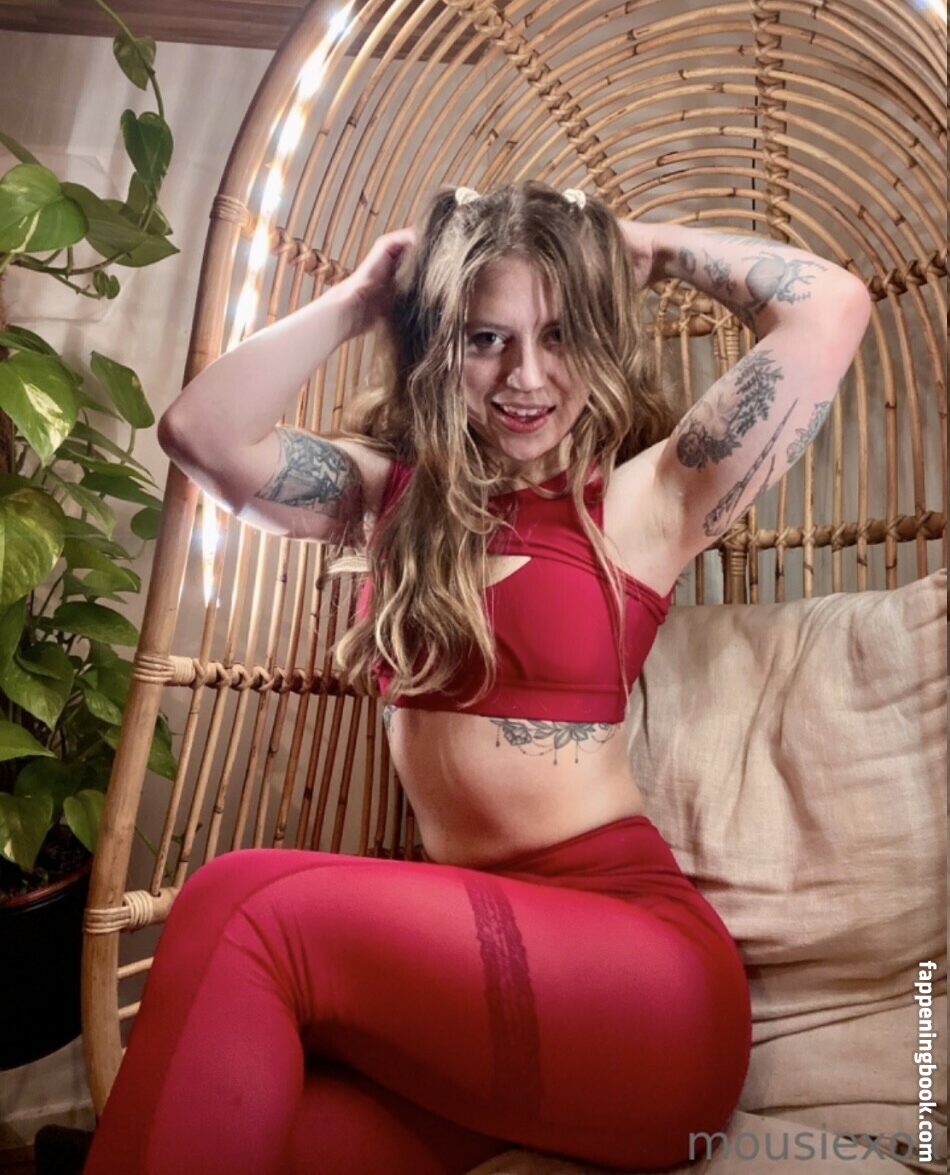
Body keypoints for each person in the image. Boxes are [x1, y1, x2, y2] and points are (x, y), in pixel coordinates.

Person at [82, 179, 872, 1175]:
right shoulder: (386, 502)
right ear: (438, 346)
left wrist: (646, 248)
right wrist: (362, 298)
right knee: (267, 1129)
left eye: (559, 335)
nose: (525, 376)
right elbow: (201, 433)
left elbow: (830, 306)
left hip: (639, 984)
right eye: (485, 339)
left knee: (243, 905)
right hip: (489, 994)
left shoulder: (642, 503)